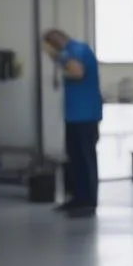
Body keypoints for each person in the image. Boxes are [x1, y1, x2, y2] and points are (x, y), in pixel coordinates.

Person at [42, 28, 103, 218]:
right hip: (76, 116)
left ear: (56, 41)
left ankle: (87, 202)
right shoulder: (70, 52)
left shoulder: (75, 49)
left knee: (84, 159)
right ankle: (78, 198)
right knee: (75, 159)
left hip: (84, 116)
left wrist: (55, 55)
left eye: (49, 47)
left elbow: (77, 72)